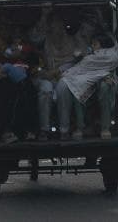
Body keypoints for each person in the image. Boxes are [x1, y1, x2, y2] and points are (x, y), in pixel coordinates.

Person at [32, 12, 90, 140]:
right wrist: (44, 15)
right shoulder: (45, 39)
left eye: (59, 24)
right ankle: (44, 129)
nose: (56, 28)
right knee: (46, 89)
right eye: (53, 25)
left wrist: (59, 71)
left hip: (66, 76)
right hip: (46, 76)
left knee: (63, 88)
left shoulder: (73, 40)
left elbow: (81, 57)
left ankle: (64, 129)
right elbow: (34, 39)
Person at [54, 33, 118, 140]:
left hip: (104, 79)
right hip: (86, 80)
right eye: (92, 44)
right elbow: (81, 69)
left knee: (105, 87)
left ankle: (105, 127)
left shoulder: (111, 56)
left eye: (95, 44)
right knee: (76, 87)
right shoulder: (89, 56)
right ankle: (80, 127)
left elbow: (108, 66)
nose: (93, 46)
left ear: (102, 45)